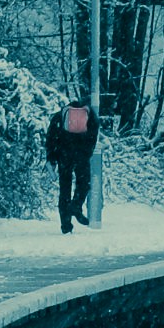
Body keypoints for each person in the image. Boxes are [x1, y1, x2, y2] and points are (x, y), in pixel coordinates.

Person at [44, 97, 99, 233]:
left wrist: (52, 157)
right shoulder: (90, 115)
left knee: (65, 189)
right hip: (81, 155)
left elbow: (51, 136)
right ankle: (76, 205)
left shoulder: (60, 116)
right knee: (84, 183)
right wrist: (87, 153)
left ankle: (66, 225)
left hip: (64, 155)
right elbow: (93, 136)